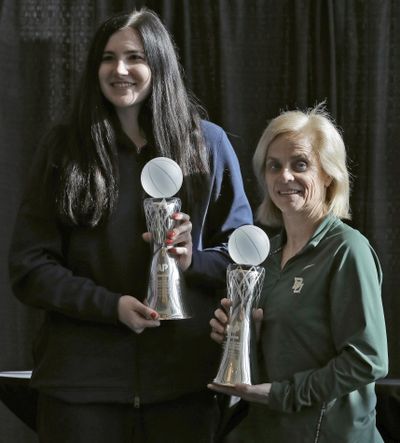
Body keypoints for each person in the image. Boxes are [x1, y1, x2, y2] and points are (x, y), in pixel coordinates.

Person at [8, 8, 253, 443]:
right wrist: (110, 306)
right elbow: (29, 269)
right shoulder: (65, 148)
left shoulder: (208, 145)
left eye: (134, 57)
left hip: (184, 390)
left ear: (158, 63)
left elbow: (243, 259)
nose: (119, 69)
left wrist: (191, 260)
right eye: (107, 57)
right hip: (79, 392)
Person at [208, 105, 388, 442]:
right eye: (273, 166)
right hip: (267, 431)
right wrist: (241, 337)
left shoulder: (348, 251)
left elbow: (367, 361)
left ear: (327, 174)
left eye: (300, 164)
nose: (284, 177)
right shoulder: (266, 256)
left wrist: (282, 394)